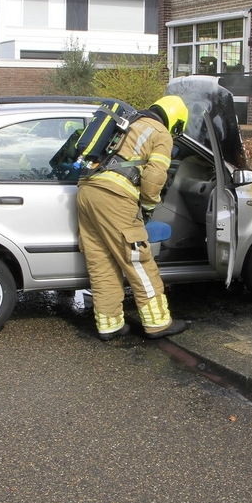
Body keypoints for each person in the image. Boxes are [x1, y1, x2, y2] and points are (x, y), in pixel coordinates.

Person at [76, 95, 190, 341]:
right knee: (137, 259)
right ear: (176, 122)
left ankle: (109, 325)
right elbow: (154, 179)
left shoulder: (127, 122)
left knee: (101, 262)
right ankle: (158, 322)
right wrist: (149, 206)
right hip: (114, 197)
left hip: (86, 190)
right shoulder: (160, 133)